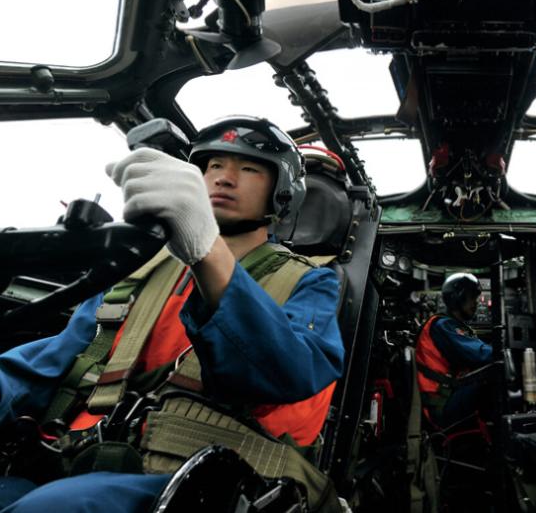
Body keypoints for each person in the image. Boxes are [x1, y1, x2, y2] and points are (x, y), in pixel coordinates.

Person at [0, 116, 345, 512]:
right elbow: (52, 361)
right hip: (68, 460)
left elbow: (291, 371)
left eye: (248, 169)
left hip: (199, 481)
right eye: (213, 166)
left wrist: (206, 248)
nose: (224, 178)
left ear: (282, 194)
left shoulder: (310, 282)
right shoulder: (141, 267)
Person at [415, 273, 493, 429]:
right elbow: (481, 354)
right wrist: (505, 350)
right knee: (493, 377)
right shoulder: (443, 326)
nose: (476, 303)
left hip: (450, 395)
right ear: (458, 298)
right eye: (472, 297)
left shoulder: (454, 326)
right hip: (442, 406)